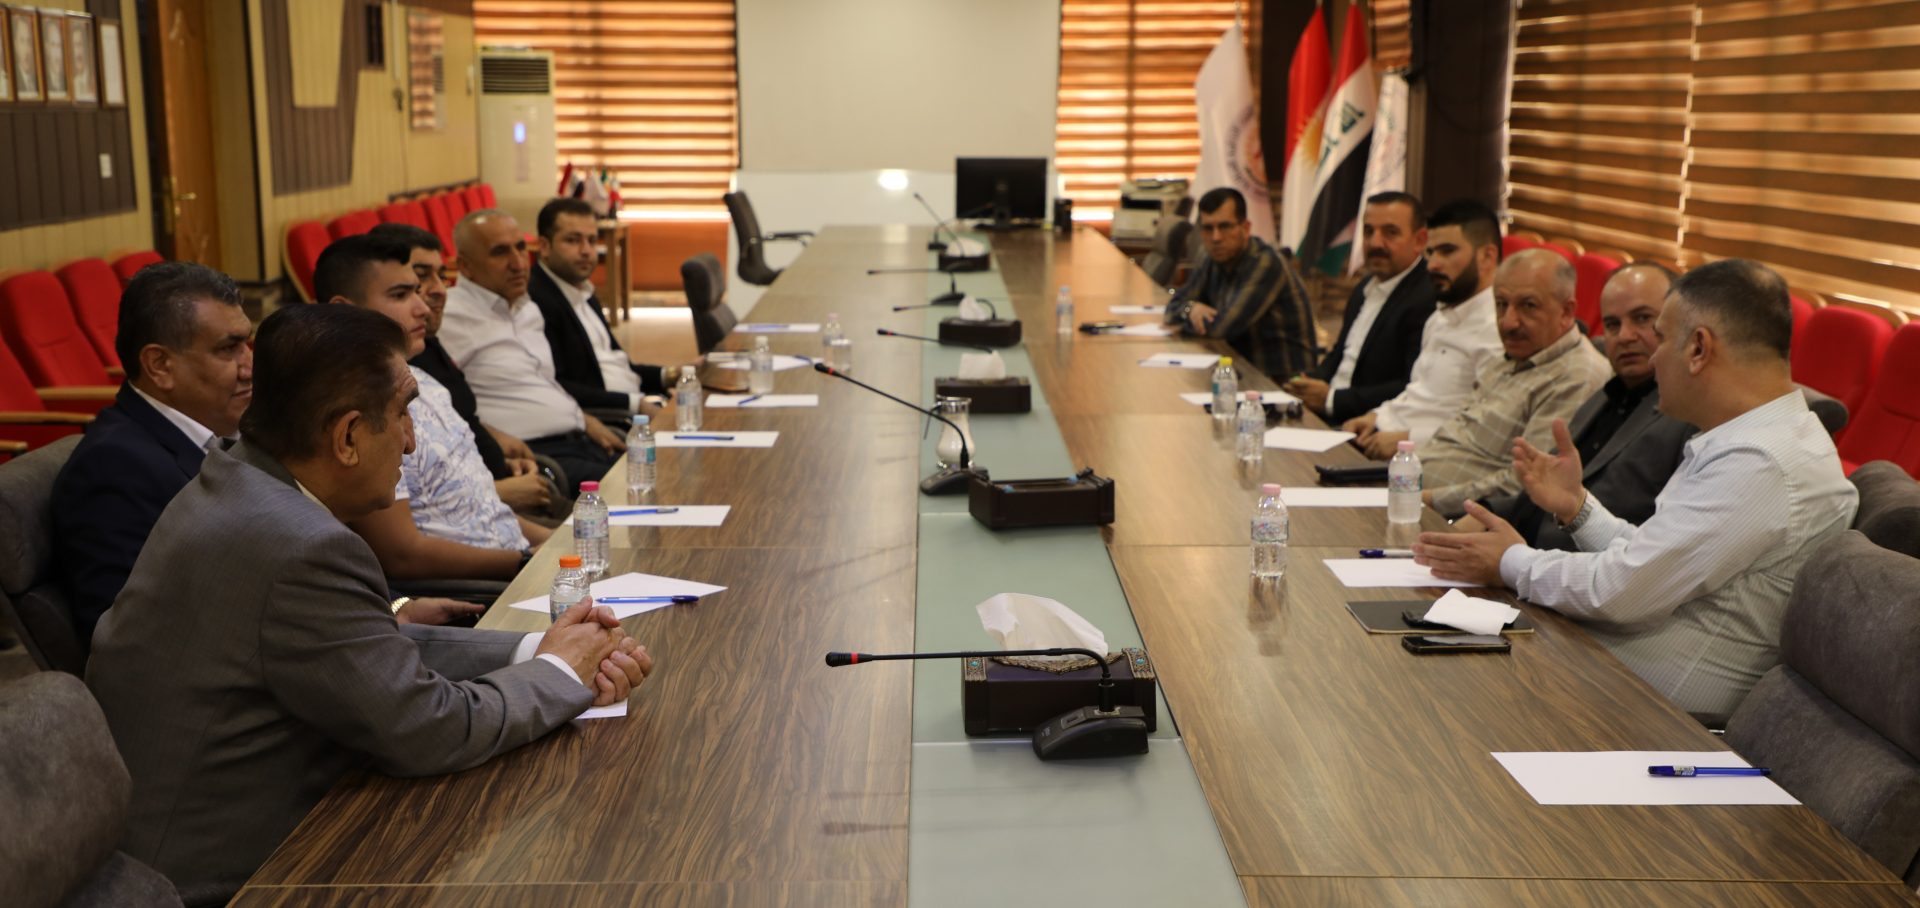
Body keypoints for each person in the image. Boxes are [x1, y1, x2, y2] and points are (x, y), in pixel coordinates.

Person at [86, 303, 654, 899]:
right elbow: (430, 728)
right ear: (348, 437)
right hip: (239, 875)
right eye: (404, 413)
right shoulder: (301, 544)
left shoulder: (238, 477)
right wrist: (561, 672)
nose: (411, 442)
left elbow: (368, 648)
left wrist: (542, 649)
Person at [1413, 259, 1857, 724]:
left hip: (1649, 715)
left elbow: (1620, 589)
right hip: (1609, 676)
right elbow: (1649, 556)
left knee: (1431, 700)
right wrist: (1578, 509)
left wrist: (1510, 561)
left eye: (1660, 337)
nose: (1653, 357)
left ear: (1698, 348)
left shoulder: (1762, 461)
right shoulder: (1753, 438)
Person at [316, 235, 551, 573]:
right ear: (344, 310)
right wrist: (528, 562)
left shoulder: (425, 382)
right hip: (482, 589)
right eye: (400, 295)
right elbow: (402, 554)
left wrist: (559, 543)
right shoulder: (354, 413)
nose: (423, 308)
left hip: (518, 559)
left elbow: (484, 508)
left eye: (417, 291)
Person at [49, 263, 253, 646]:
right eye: (229, 349)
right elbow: (128, 639)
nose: (249, 367)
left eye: (247, 344)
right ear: (160, 366)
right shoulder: (113, 468)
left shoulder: (222, 435)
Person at [1477, 263, 1694, 550]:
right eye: (1612, 324)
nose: (1624, 336)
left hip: (1567, 565)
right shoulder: (1605, 394)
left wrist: (1513, 561)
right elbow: (1547, 491)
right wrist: (1482, 515)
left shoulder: (1689, 416)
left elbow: (1656, 547)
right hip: (1517, 549)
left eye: (1642, 319)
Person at [368, 222, 565, 519]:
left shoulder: (426, 343)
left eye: (441, 275)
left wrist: (496, 448)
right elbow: (419, 509)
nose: (437, 291)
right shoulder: (390, 377)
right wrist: (497, 490)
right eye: (415, 283)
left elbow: (456, 432)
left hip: (500, 488)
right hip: (485, 510)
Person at [436, 208, 624, 492]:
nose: (518, 263)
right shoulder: (448, 318)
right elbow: (440, 409)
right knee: (644, 486)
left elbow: (543, 383)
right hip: (534, 456)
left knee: (665, 467)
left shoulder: (527, 308)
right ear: (465, 266)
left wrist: (584, 419)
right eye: (500, 252)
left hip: (580, 438)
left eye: (521, 248)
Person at [1418, 248, 1612, 518]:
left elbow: (1526, 483)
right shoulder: (1515, 355)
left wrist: (1427, 499)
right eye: (1501, 304)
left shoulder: (1576, 375)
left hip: (1454, 519)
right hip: (1412, 493)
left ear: (1566, 311)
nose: (1509, 322)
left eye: (1528, 306)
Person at [1343, 199, 1505, 458]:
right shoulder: (1440, 315)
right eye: (1431, 252)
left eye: (1447, 251)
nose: (1432, 264)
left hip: (1425, 459)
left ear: (1487, 256)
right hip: (1381, 440)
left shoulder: (1498, 329)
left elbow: (1487, 427)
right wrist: (1376, 416)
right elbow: (1419, 393)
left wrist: (1409, 439)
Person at [1284, 192, 1435, 422]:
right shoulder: (1364, 287)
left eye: (1390, 232)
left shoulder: (1428, 297)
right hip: (1325, 416)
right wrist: (1308, 383)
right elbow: (1341, 353)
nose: (1375, 243)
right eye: (1368, 231)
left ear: (1420, 240)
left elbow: (1412, 387)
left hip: (1366, 427)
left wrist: (1332, 399)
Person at [530, 197, 671, 417]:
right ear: (544, 246)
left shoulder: (584, 291)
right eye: (573, 240)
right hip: (606, 417)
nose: (586, 250)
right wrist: (635, 405)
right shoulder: (536, 301)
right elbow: (556, 386)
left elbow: (618, 364)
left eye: (592, 240)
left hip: (635, 403)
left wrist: (671, 374)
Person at [1161, 187, 1316, 379]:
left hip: (1281, 381)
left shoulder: (1265, 263)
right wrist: (1190, 309)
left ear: (1246, 228)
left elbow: (1222, 328)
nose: (1216, 237)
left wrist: (1188, 314)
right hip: (1238, 369)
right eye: (1208, 228)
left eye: (1225, 226)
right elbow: (1172, 308)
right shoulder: (1210, 258)